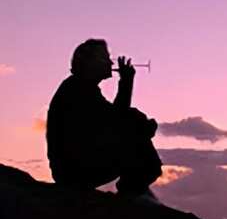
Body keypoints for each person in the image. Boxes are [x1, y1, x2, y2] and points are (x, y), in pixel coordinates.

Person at [46, 39, 162, 200]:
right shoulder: (78, 90)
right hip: (74, 169)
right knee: (144, 152)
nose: (110, 62)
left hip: (73, 166)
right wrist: (141, 126)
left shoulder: (81, 87)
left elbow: (116, 117)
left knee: (135, 124)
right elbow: (116, 119)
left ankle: (131, 195)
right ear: (91, 63)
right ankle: (130, 199)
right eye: (105, 58)